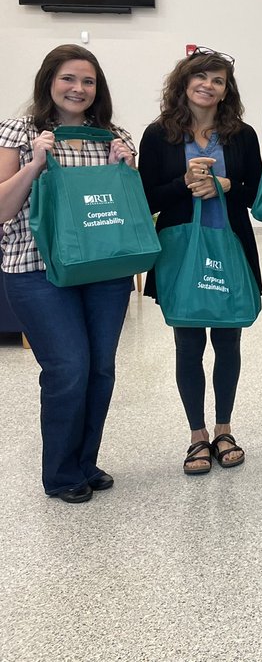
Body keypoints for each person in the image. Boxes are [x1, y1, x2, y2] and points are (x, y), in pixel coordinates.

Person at [0, 45, 136, 503]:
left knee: (100, 369)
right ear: (49, 81)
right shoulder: (19, 131)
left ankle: (85, 462)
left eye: (88, 81)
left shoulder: (113, 136)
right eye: (68, 79)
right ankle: (59, 472)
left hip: (103, 266)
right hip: (35, 268)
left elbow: (128, 207)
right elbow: (2, 210)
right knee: (69, 368)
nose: (79, 89)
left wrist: (125, 167)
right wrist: (35, 163)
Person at [139, 47, 262, 475]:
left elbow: (257, 194)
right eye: (201, 78)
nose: (208, 86)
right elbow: (146, 197)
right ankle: (197, 436)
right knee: (188, 344)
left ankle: (224, 429)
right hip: (180, 251)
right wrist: (184, 183)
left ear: (227, 90)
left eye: (218, 80)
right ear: (184, 83)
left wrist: (227, 184)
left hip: (231, 247)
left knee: (228, 340)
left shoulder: (241, 135)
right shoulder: (159, 135)